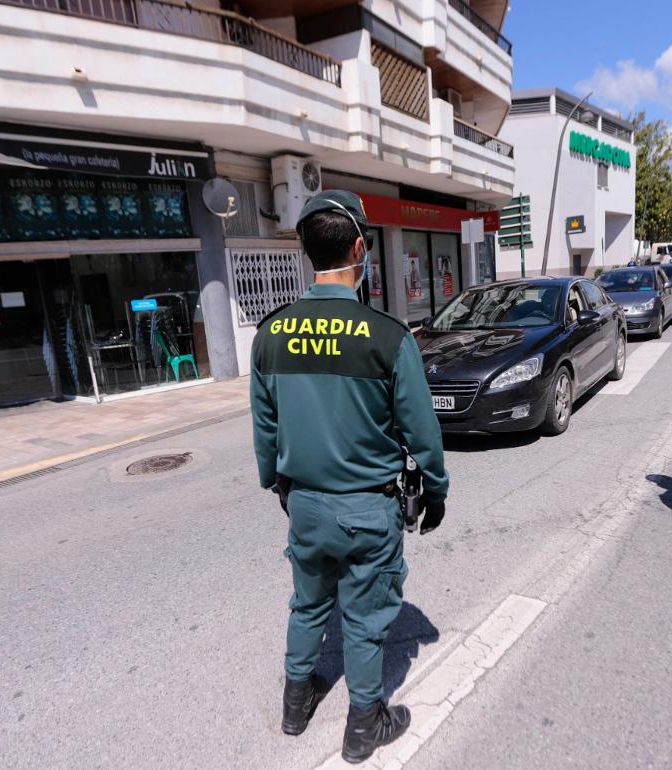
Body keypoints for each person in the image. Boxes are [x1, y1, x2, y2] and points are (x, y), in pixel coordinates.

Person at [250, 190, 449, 763]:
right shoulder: (388, 336)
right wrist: (435, 492)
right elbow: (422, 431)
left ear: (307, 251)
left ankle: (295, 705)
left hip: (305, 504)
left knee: (308, 603)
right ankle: (365, 724)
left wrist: (277, 484)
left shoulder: (270, 335)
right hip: (368, 508)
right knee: (363, 618)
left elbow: (266, 430)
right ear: (360, 248)